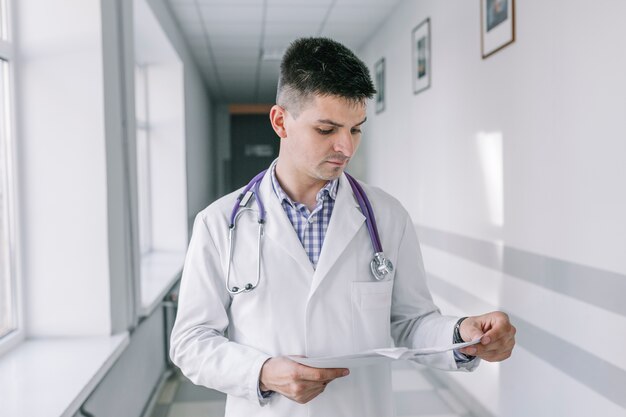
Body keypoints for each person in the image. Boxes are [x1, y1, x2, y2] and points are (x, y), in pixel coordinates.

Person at [170, 37, 516, 417]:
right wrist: (263, 373)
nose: (346, 148)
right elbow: (191, 342)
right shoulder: (220, 222)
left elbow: (411, 322)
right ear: (280, 121)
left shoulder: (386, 216)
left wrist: (462, 335)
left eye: (355, 129)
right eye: (327, 129)